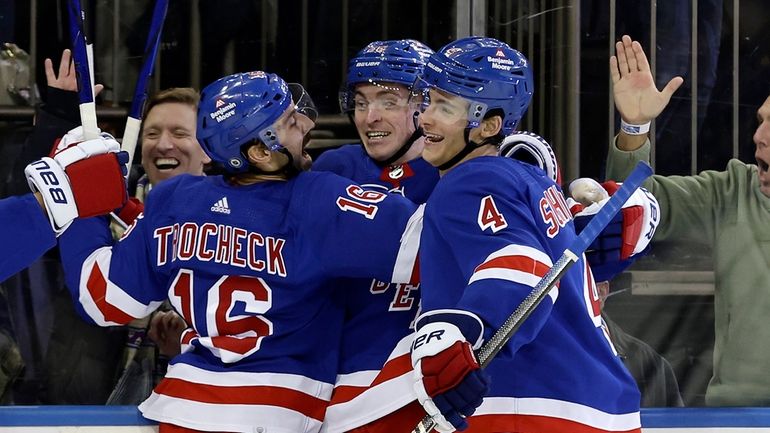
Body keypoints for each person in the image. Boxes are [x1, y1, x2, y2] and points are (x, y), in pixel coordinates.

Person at [56, 70, 421, 433]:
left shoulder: (174, 199)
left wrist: (80, 203)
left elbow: (101, 299)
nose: (307, 125)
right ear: (261, 151)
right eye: (291, 121)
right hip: (275, 413)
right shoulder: (318, 197)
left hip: (182, 412)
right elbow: (433, 247)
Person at [408, 36, 641, 432]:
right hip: (596, 405)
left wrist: (460, 342)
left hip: (532, 404)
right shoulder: (533, 181)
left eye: (445, 107)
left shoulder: (470, 179)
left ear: (489, 126)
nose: (426, 118)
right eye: (428, 100)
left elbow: (523, 266)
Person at [607, 34, 770, 406]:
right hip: (736, 422)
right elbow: (633, 205)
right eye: (760, 121)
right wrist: (635, 127)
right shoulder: (731, 192)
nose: (759, 136)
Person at [312, 39, 440, 433]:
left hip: (428, 385)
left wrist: (632, 135)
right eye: (362, 102)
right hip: (338, 386)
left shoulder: (464, 173)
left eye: (388, 101)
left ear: (426, 104)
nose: (369, 117)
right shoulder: (332, 170)